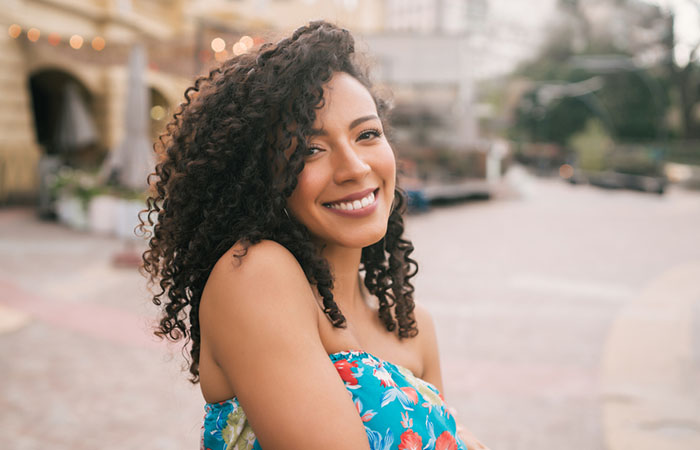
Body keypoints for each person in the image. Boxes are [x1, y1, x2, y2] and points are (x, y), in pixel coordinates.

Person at [140, 21, 487, 450]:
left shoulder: (413, 327)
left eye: (367, 135)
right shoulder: (254, 275)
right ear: (260, 177)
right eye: (310, 149)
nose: (356, 167)